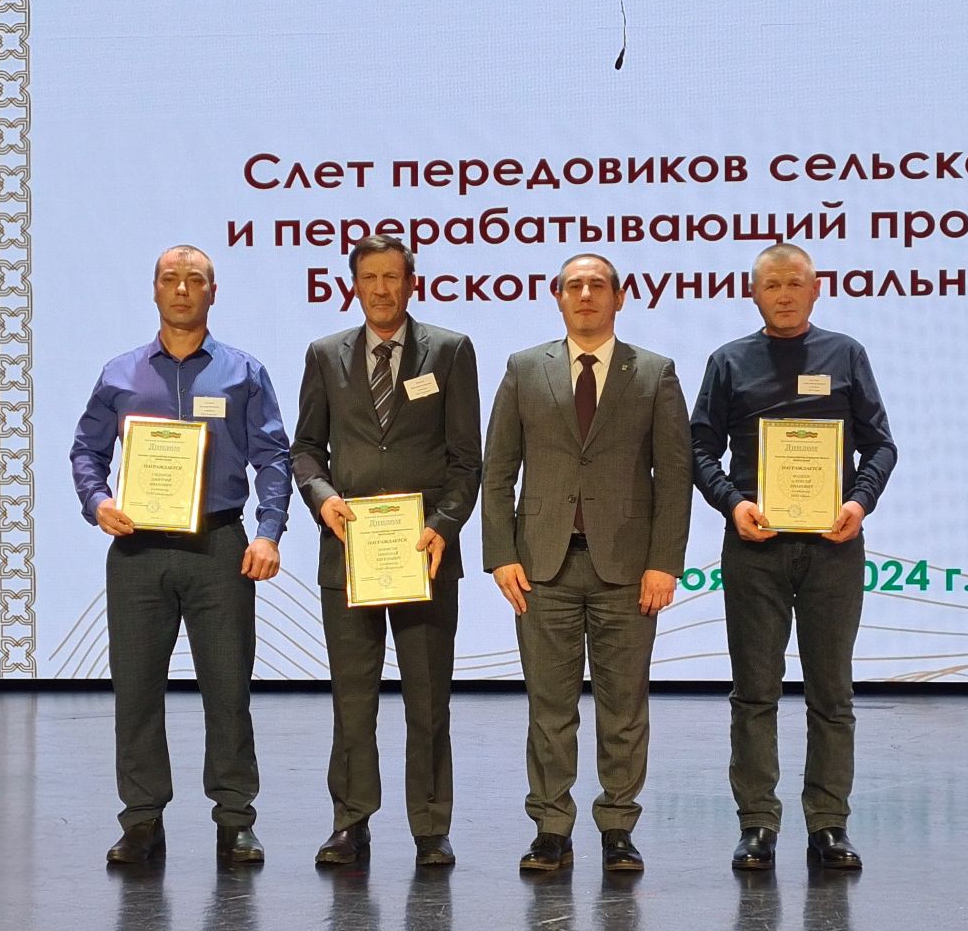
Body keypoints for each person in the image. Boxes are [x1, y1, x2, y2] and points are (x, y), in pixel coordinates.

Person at [70, 243, 293, 866]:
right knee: (136, 690)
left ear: (213, 292)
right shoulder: (120, 374)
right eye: (171, 279)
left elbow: (273, 458)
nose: (182, 289)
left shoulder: (243, 372)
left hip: (219, 546)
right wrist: (97, 501)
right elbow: (85, 451)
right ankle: (142, 819)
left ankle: (235, 819)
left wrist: (269, 532)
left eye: (195, 280)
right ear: (155, 290)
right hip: (137, 550)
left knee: (228, 689)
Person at [690, 241, 897, 871]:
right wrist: (732, 504)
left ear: (816, 289)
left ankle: (829, 824)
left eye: (794, 284)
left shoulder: (845, 354)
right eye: (771, 285)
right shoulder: (729, 361)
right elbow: (698, 450)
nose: (783, 295)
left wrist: (858, 504)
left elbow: (880, 446)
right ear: (754, 293)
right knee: (754, 691)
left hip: (834, 549)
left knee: (831, 693)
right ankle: (757, 824)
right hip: (756, 547)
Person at [481, 253, 691, 872]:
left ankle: (618, 827)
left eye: (598, 285)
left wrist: (664, 563)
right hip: (541, 567)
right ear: (557, 296)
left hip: (628, 569)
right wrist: (500, 555)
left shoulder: (654, 373)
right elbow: (498, 473)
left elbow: (674, 478)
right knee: (549, 705)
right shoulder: (524, 369)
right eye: (574, 285)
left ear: (619, 297)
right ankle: (551, 826)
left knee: (624, 705)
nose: (586, 294)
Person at [291, 234, 482, 867]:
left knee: (429, 695)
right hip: (348, 550)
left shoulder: (450, 353)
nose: (381, 288)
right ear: (354, 284)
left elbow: (465, 460)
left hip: (425, 552)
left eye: (392, 277)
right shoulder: (324, 354)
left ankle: (431, 826)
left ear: (412, 282)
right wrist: (321, 498)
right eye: (369, 277)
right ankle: (351, 821)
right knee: (353, 695)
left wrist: (445, 524)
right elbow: (305, 449)